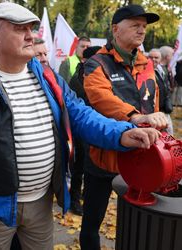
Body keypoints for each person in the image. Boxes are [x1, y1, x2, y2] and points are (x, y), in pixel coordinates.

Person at [0, 3, 161, 250]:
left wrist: (123, 133)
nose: (30, 35)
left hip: (41, 203)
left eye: (31, 28)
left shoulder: (48, 77)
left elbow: (81, 115)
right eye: (19, 29)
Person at [80, 5, 167, 250]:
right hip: (103, 158)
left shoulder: (146, 63)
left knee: (137, 217)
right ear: (116, 29)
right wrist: (134, 117)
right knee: (92, 223)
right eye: (135, 25)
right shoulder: (97, 63)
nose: (141, 30)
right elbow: (100, 98)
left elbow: (154, 100)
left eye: (144, 26)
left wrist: (158, 129)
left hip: (142, 156)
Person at [67, 46, 101, 216]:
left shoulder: (98, 75)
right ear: (86, 61)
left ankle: (86, 198)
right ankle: (74, 199)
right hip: (80, 128)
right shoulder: (78, 78)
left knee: (91, 166)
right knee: (80, 166)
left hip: (94, 127)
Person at [149, 48, 174, 134]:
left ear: (160, 59)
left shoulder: (162, 70)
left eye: (156, 57)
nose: (153, 60)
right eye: (151, 57)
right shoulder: (144, 72)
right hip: (153, 112)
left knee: (169, 134)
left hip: (164, 110)